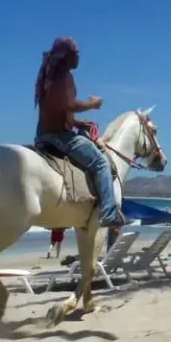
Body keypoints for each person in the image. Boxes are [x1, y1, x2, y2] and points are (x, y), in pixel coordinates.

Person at [34, 37, 125, 229]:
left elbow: (56, 109)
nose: (78, 58)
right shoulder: (64, 77)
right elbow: (69, 104)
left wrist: (76, 122)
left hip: (43, 133)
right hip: (60, 136)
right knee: (100, 163)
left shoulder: (48, 76)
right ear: (67, 57)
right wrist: (92, 104)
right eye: (76, 54)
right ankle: (109, 213)